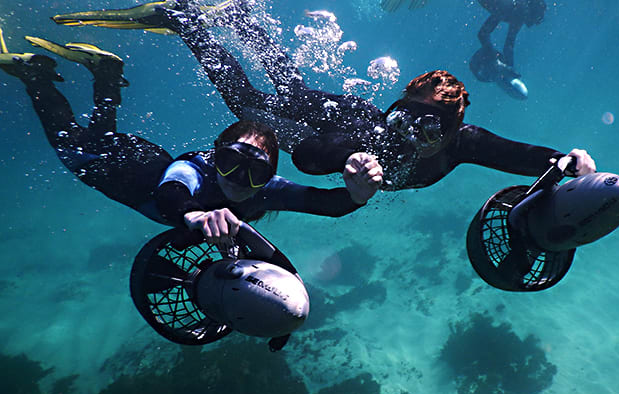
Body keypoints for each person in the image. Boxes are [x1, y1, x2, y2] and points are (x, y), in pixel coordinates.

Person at [51, 0, 595, 193]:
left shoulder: (464, 142)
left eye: (429, 126)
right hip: (337, 128)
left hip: (340, 124)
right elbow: (310, 156)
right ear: (397, 105)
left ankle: (235, 17)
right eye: (406, 114)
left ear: (453, 131)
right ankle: (192, 22)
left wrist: (568, 162)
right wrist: (352, 160)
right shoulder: (372, 135)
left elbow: (521, 157)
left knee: (283, 89)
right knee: (254, 106)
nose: (409, 130)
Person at [0, 28, 382, 246]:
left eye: (254, 173)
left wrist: (358, 196)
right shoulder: (194, 169)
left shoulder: (266, 189)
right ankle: (38, 77)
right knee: (71, 144)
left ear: (269, 176)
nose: (238, 180)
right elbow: (172, 191)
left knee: (98, 135)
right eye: (231, 164)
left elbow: (324, 204)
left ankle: (105, 78)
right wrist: (195, 214)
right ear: (215, 156)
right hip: (112, 169)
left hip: (139, 154)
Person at [469, 0, 547, 100]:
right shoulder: (511, 9)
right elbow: (483, 34)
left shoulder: (518, 14)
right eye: (533, 18)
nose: (531, 24)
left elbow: (508, 45)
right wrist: (498, 61)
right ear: (529, 11)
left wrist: (509, 68)